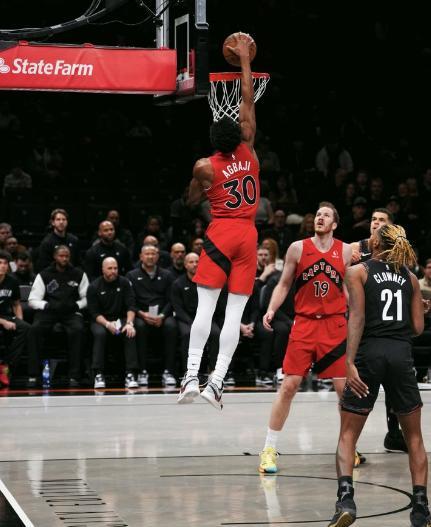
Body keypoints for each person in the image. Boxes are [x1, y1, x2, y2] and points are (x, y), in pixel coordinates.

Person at [177, 33, 259, 409]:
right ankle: (217, 383)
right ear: (238, 134)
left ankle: (191, 377)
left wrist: (200, 186)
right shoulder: (250, 148)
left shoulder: (205, 166)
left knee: (206, 308)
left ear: (213, 138)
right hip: (248, 235)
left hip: (222, 232)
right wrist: (244, 60)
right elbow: (247, 100)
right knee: (234, 313)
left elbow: (191, 200)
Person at [328, 224, 429, 527]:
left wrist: (348, 362)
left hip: (369, 355)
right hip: (400, 356)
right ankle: (421, 509)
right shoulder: (411, 278)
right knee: (414, 437)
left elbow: (357, 318)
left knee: (348, 435)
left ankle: (346, 500)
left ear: (374, 243)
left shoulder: (358, 272)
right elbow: (417, 328)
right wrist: (418, 308)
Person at [258, 202, 352, 473]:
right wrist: (271, 308)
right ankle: (269, 449)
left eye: (326, 215)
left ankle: (348, 446)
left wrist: (358, 318)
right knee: (289, 385)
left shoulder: (346, 251)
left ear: (334, 224)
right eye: (318, 214)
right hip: (305, 323)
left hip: (334, 324)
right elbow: (284, 283)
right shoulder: (297, 248)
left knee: (343, 390)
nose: (320, 218)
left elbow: (348, 290)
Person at [350, 207, 409, 453]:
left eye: (382, 220)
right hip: (359, 321)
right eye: (373, 219)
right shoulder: (354, 248)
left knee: (392, 383)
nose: (376, 223)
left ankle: (394, 433)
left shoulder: (396, 254)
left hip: (384, 323)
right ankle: (350, 444)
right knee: (356, 385)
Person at [27, 246, 89, 388]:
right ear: (55, 257)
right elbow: (32, 300)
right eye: (61, 256)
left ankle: (75, 376)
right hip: (49, 311)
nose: (64, 259)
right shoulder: (44, 274)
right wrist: (46, 305)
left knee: (78, 330)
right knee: (34, 330)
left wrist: (77, 305)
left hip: (71, 311)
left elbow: (87, 298)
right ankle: (33, 375)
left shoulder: (78, 274)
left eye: (67, 256)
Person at [126, 245, 178, 387]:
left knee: (172, 326)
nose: (150, 257)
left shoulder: (167, 275)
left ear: (158, 256)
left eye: (153, 254)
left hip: (162, 314)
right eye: (147, 254)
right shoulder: (132, 275)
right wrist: (142, 314)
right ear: (141, 256)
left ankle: (169, 371)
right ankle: (142, 371)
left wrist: (162, 315)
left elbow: (171, 300)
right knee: (139, 327)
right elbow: (130, 300)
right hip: (141, 314)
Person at [86, 257, 139, 389]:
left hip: (121, 318)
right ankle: (98, 374)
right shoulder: (94, 286)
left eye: (115, 268)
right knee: (100, 334)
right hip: (101, 320)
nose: (113, 271)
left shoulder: (125, 283)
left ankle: (130, 373)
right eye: (110, 268)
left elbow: (131, 306)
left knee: (129, 332)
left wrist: (129, 323)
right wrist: (108, 324)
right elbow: (94, 313)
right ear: (103, 269)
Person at [171, 252, 221, 376]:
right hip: (186, 319)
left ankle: (213, 370)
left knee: (216, 333)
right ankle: (189, 372)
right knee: (188, 334)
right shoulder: (178, 283)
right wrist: (192, 323)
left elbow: (213, 303)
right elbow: (178, 308)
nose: (194, 264)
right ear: (185, 265)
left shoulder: (209, 282)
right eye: (191, 262)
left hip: (205, 318)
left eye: (197, 262)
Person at [0, 250, 30, 387]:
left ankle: (6, 365)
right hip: (2, 319)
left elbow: (16, 304)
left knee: (25, 328)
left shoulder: (12, 281)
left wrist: (19, 321)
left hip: (6, 315)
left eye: (5, 263)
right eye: (0, 263)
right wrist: (3, 322)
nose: (3, 266)